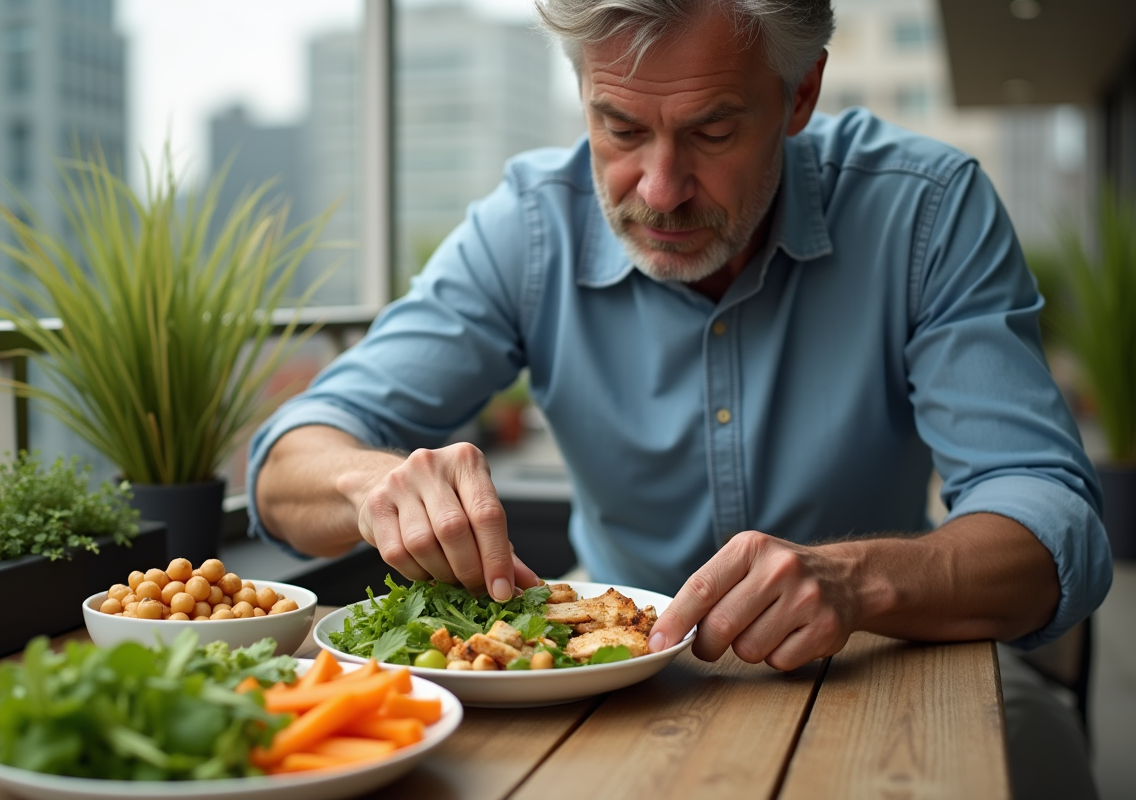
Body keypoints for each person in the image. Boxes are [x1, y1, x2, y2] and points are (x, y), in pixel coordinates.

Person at [248, 2, 1111, 797]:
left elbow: (1053, 524)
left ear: (799, 93)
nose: (659, 190)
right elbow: (288, 462)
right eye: (619, 127)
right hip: (589, 680)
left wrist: (858, 580)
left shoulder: (927, 212)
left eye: (712, 130)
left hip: (882, 659)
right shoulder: (528, 227)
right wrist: (372, 485)